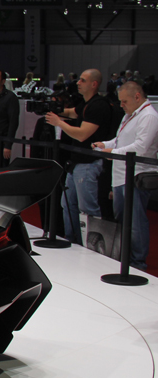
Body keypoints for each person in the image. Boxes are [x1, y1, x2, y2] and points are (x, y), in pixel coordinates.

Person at [92, 82, 158, 270]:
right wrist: (105, 144)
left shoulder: (149, 116)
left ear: (137, 96)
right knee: (123, 219)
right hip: (121, 175)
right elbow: (120, 140)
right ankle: (125, 256)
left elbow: (141, 147)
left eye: (124, 101)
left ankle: (138, 262)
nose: (121, 105)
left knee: (135, 221)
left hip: (136, 175)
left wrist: (113, 151)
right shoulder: (131, 114)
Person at [45, 69, 112, 244]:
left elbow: (82, 134)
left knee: (87, 207)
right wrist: (55, 110)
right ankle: (73, 240)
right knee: (68, 204)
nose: (78, 83)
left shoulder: (98, 106)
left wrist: (59, 123)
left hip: (89, 163)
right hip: (77, 163)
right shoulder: (87, 104)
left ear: (94, 84)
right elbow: (72, 112)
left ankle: (92, 245)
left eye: (82, 80)